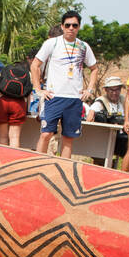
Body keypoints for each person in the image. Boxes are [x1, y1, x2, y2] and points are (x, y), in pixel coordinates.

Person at [30, 11, 97, 157]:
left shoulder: (83, 46)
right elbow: (35, 65)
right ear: (62, 26)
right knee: (46, 134)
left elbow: (94, 68)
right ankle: (37, 165)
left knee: (68, 138)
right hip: (54, 97)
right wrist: (38, 90)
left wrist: (89, 90)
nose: (71, 28)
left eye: (74, 25)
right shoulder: (52, 43)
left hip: (74, 99)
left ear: (79, 27)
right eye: (67, 25)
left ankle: (63, 170)